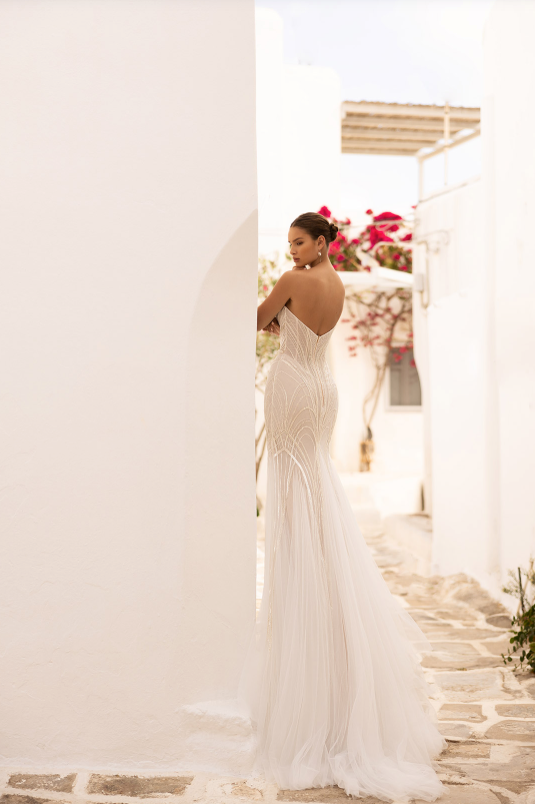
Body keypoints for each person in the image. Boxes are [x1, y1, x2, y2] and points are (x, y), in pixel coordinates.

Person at [238, 212, 445, 802]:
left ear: (322, 242)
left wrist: (270, 313)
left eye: (300, 241)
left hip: (293, 389)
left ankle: (306, 602)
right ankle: (328, 598)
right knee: (317, 487)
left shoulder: (293, 279)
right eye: (290, 245)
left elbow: (254, 323)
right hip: (323, 390)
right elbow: (301, 329)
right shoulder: (336, 282)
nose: (293, 250)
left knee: (296, 490)